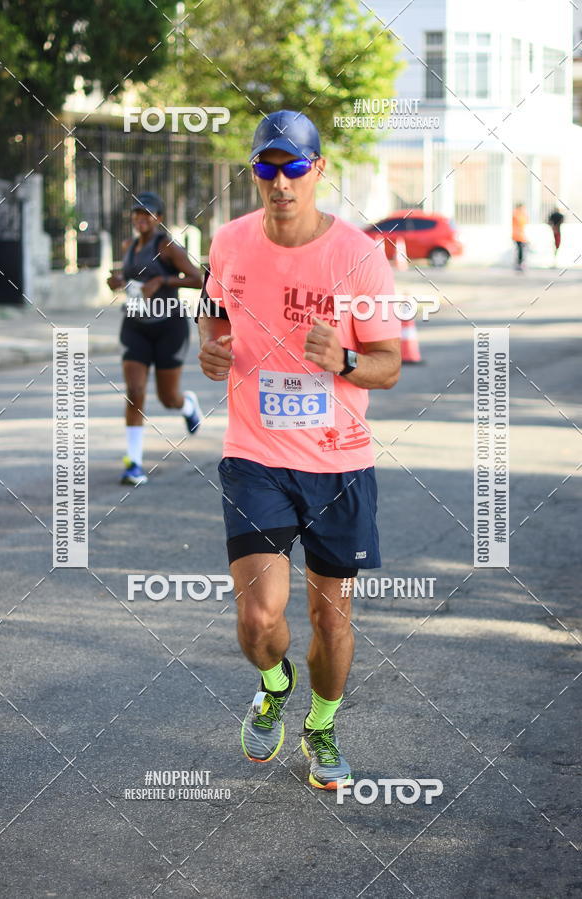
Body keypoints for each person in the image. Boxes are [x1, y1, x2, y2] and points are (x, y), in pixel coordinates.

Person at [198, 111, 401, 790]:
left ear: (317, 170)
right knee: (259, 618)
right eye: (265, 167)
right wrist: (211, 346)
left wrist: (343, 357)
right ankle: (273, 680)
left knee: (328, 615)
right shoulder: (228, 242)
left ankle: (321, 723)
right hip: (253, 452)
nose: (278, 182)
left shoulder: (359, 257)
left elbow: (387, 364)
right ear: (254, 171)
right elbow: (214, 310)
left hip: (338, 463)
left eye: (292, 168)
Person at [107, 191, 203, 485]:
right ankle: (133, 463)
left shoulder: (168, 247)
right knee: (135, 390)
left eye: (147, 214)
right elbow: (129, 281)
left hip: (169, 326)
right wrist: (117, 282)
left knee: (167, 398)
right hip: (136, 324)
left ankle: (187, 405)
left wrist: (163, 280)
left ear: (158, 218)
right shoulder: (128, 245)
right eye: (137, 213)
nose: (141, 219)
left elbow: (198, 278)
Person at [512, 203, 528, 272]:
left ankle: (519, 263)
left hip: (521, 235)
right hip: (518, 236)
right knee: (520, 250)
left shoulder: (520, 214)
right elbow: (520, 223)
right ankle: (519, 263)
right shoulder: (517, 214)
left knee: (520, 250)